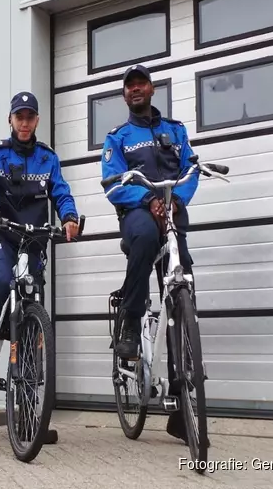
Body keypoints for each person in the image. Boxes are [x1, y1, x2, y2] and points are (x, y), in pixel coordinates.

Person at [100, 64, 201, 444]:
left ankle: (181, 391)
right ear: (125, 95)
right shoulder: (118, 137)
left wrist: (176, 202)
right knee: (142, 240)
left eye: (141, 83)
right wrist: (147, 199)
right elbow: (111, 182)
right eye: (130, 86)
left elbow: (191, 169)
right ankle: (130, 317)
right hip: (139, 213)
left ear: (152, 88)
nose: (136, 89)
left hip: (172, 210)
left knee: (184, 282)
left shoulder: (175, 131)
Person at [0, 91, 80, 388]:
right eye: (20, 117)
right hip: (3, 235)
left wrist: (69, 217)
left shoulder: (47, 157)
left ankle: (29, 406)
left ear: (37, 120)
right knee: (1, 282)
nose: (25, 123)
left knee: (33, 300)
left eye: (30, 117)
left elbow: (61, 192)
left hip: (34, 241)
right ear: (11, 120)